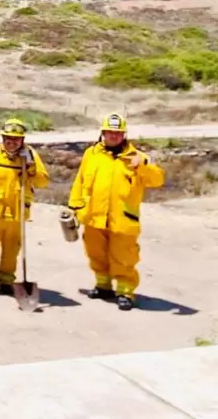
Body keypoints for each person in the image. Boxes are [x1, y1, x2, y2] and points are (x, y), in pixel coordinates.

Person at [67, 113, 164, 311]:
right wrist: (75, 206)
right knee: (96, 252)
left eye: (118, 133)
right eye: (110, 132)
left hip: (123, 219)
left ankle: (125, 292)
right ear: (103, 133)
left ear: (124, 135)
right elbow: (80, 181)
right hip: (94, 216)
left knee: (123, 257)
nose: (113, 136)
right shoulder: (91, 154)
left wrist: (144, 166)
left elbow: (158, 180)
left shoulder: (137, 157)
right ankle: (103, 286)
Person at [0, 118, 50, 296]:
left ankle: (7, 281)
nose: (12, 142)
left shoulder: (30, 156)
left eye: (16, 139)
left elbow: (42, 181)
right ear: (3, 138)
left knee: (12, 250)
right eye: (8, 138)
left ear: (22, 140)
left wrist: (30, 166)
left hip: (17, 212)